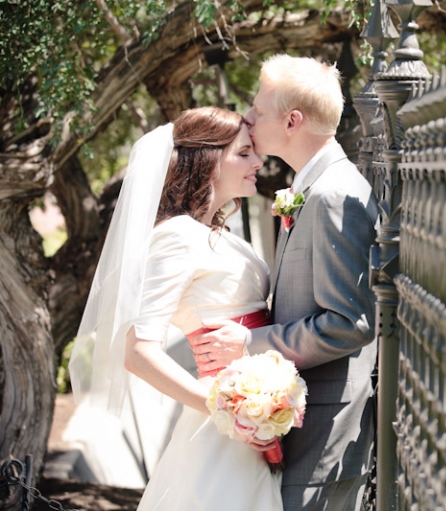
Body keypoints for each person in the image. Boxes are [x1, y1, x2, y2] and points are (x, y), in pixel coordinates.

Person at [68, 107, 283, 510]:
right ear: (207, 161)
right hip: (225, 422)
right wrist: (225, 409)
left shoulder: (217, 233)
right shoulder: (176, 237)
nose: (258, 162)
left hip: (261, 412)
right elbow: (137, 352)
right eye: (243, 153)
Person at [190, 55, 379, 510]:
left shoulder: (334, 194)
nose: (248, 118)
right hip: (302, 422)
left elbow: (348, 324)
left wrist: (248, 344)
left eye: (258, 109)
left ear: (292, 121)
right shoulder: (313, 187)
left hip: (324, 432)